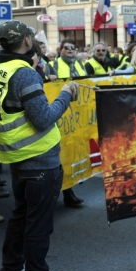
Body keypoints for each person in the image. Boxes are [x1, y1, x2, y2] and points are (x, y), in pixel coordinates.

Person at [0, 20, 75, 271]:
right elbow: (44, 118)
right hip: (40, 160)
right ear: (26, 41)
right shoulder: (23, 73)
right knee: (38, 223)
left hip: (15, 158)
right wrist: (66, 95)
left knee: (21, 217)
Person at [50, 39, 86, 207]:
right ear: (61, 50)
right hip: (61, 112)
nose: (70, 50)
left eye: (73, 48)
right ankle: (60, 193)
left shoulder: (80, 65)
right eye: (67, 48)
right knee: (62, 152)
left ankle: (68, 190)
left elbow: (87, 81)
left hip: (78, 114)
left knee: (72, 151)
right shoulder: (53, 65)